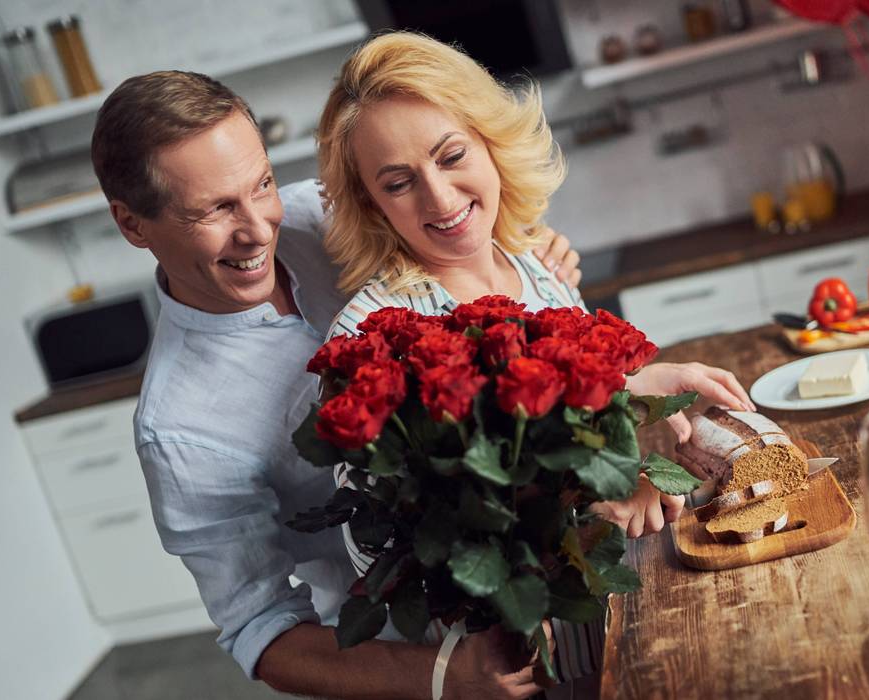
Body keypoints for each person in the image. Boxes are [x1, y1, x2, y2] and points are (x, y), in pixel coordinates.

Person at [92, 70, 585, 699]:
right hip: (412, 649)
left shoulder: (317, 213)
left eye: (261, 184)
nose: (257, 229)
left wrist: (527, 253)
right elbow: (260, 628)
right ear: (133, 225)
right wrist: (444, 678)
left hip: (548, 562)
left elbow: (454, 226)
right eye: (214, 210)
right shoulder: (180, 427)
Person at [314, 31, 756, 693]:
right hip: (519, 662)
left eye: (451, 155)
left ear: (491, 140)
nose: (438, 199)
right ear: (371, 203)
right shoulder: (371, 335)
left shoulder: (536, 268)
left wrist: (637, 432)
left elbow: (588, 428)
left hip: (625, 611)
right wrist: (614, 466)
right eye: (398, 182)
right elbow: (381, 545)